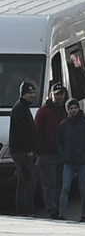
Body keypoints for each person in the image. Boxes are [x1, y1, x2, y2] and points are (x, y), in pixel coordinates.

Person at [56, 99, 85, 221]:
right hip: (68, 162)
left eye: (75, 108)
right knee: (65, 187)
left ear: (79, 108)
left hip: (82, 162)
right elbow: (59, 142)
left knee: (82, 188)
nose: (73, 110)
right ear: (67, 110)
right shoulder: (63, 125)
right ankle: (62, 214)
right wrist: (63, 154)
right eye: (71, 108)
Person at [34, 84, 68, 216]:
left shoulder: (66, 111)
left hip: (62, 154)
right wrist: (39, 151)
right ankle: (51, 210)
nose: (59, 96)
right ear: (50, 95)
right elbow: (37, 132)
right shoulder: (43, 111)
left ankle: (59, 209)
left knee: (61, 184)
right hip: (47, 154)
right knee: (49, 185)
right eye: (56, 94)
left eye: (61, 94)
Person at [9, 80, 38, 215]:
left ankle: (20, 209)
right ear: (23, 94)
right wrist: (28, 150)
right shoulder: (20, 108)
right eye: (29, 93)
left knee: (22, 181)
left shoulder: (22, 107)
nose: (32, 95)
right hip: (21, 152)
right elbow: (21, 132)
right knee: (29, 181)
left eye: (33, 92)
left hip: (19, 151)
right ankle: (28, 210)